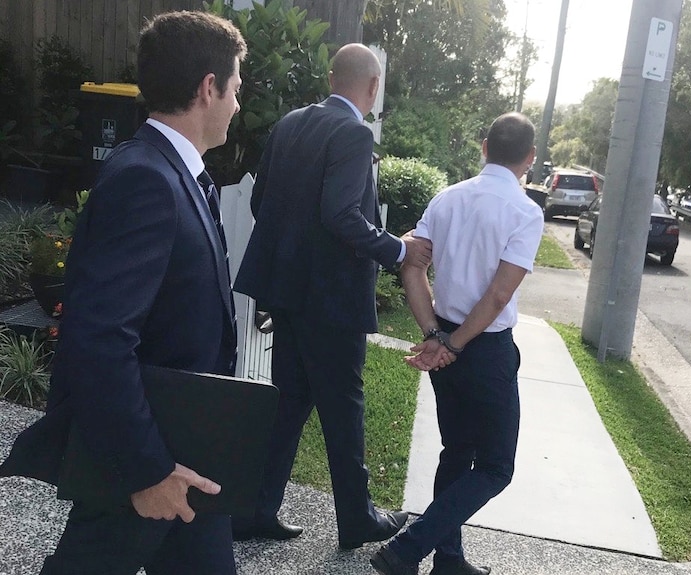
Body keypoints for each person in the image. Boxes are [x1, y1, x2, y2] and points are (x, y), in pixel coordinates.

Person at [0, 11, 246, 574]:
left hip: (185, 454)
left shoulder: (175, 174)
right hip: (148, 457)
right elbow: (98, 339)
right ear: (209, 88)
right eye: (235, 88)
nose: (238, 102)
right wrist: (145, 471)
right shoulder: (146, 179)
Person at [232, 43, 430, 548]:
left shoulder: (291, 123)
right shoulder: (353, 133)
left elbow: (261, 200)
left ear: (330, 77)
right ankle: (357, 519)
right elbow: (341, 215)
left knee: (289, 403)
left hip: (288, 294)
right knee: (343, 409)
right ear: (373, 87)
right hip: (332, 303)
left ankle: (256, 509)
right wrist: (396, 249)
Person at [369, 112, 544, 575]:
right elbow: (500, 293)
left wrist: (435, 335)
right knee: (494, 467)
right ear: (529, 158)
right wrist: (456, 343)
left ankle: (448, 561)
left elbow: (411, 267)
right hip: (482, 348)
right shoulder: (525, 211)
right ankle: (407, 549)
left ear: (484, 147)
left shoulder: (446, 199)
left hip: (447, 337)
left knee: (457, 451)